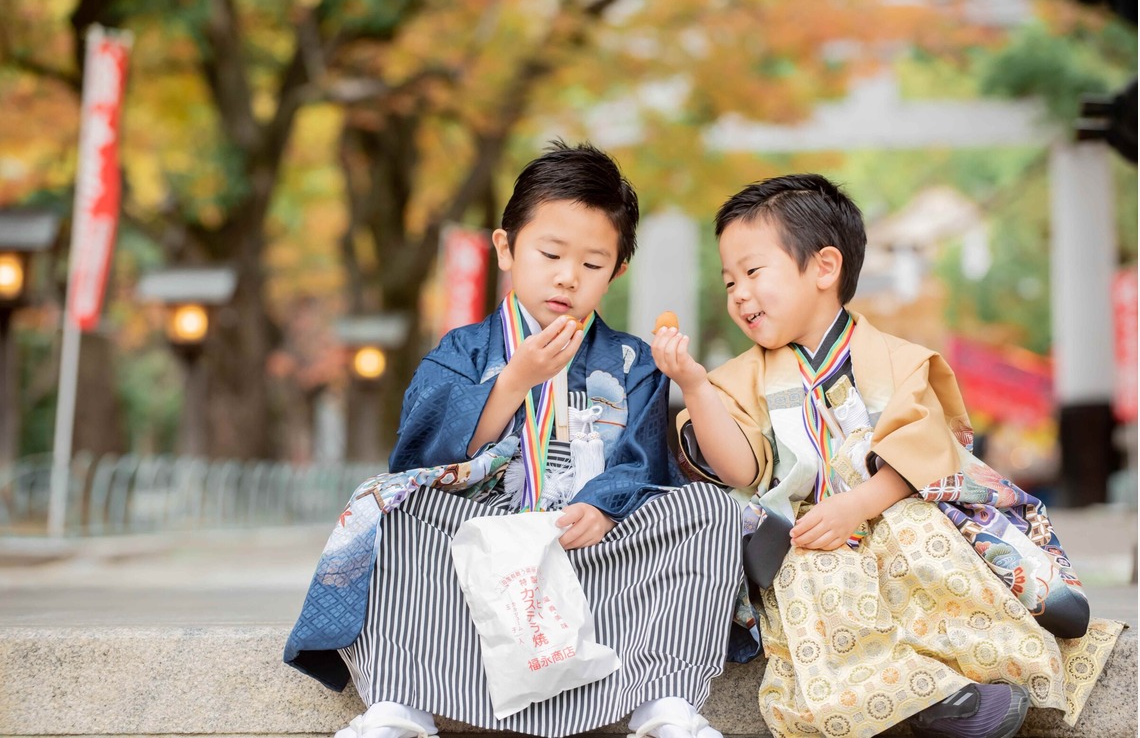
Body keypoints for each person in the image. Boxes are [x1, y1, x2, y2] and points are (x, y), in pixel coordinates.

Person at [285, 141, 741, 738]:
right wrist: (512, 383)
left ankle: (664, 701)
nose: (567, 276)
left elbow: (644, 461)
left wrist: (603, 508)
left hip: (591, 551)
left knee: (709, 509)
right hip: (481, 548)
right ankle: (401, 702)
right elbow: (420, 456)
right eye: (550, 253)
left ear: (617, 273)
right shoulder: (462, 351)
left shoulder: (634, 361)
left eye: (592, 264)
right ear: (506, 248)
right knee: (390, 506)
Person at [652, 174, 1124, 738]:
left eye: (753, 272)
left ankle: (997, 648)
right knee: (814, 575)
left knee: (921, 537)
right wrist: (695, 386)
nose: (738, 294)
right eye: (729, 281)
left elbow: (925, 450)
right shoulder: (736, 379)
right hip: (808, 532)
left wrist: (859, 505)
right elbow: (741, 470)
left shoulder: (900, 359)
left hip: (893, 507)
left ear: (824, 268)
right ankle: (935, 701)